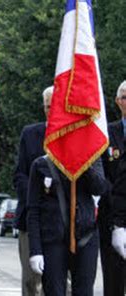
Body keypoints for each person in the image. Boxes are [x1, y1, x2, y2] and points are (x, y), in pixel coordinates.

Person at [27, 156, 108, 296]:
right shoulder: (41, 164)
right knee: (54, 291)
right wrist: (35, 250)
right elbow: (33, 210)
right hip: (53, 240)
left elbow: (99, 188)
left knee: (84, 291)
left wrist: (85, 165)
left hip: (86, 238)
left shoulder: (93, 158)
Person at [13, 86, 52, 296]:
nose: (50, 110)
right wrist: (37, 194)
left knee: (63, 282)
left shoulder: (75, 136)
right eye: (47, 106)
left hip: (60, 219)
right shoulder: (30, 134)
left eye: (55, 106)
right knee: (31, 281)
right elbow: (19, 175)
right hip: (31, 216)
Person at [99, 80, 126, 295]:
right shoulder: (106, 134)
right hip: (111, 216)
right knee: (113, 281)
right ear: (118, 102)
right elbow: (101, 175)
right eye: (125, 97)